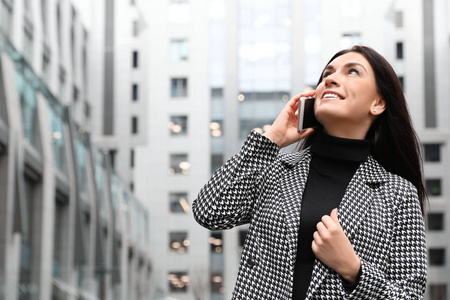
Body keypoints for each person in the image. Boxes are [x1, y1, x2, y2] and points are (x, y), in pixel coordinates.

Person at [192, 45, 427, 299]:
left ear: (378, 103)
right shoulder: (277, 170)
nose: (331, 78)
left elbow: (409, 294)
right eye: (328, 73)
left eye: (353, 72)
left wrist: (353, 270)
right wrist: (272, 139)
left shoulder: (398, 194)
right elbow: (209, 212)